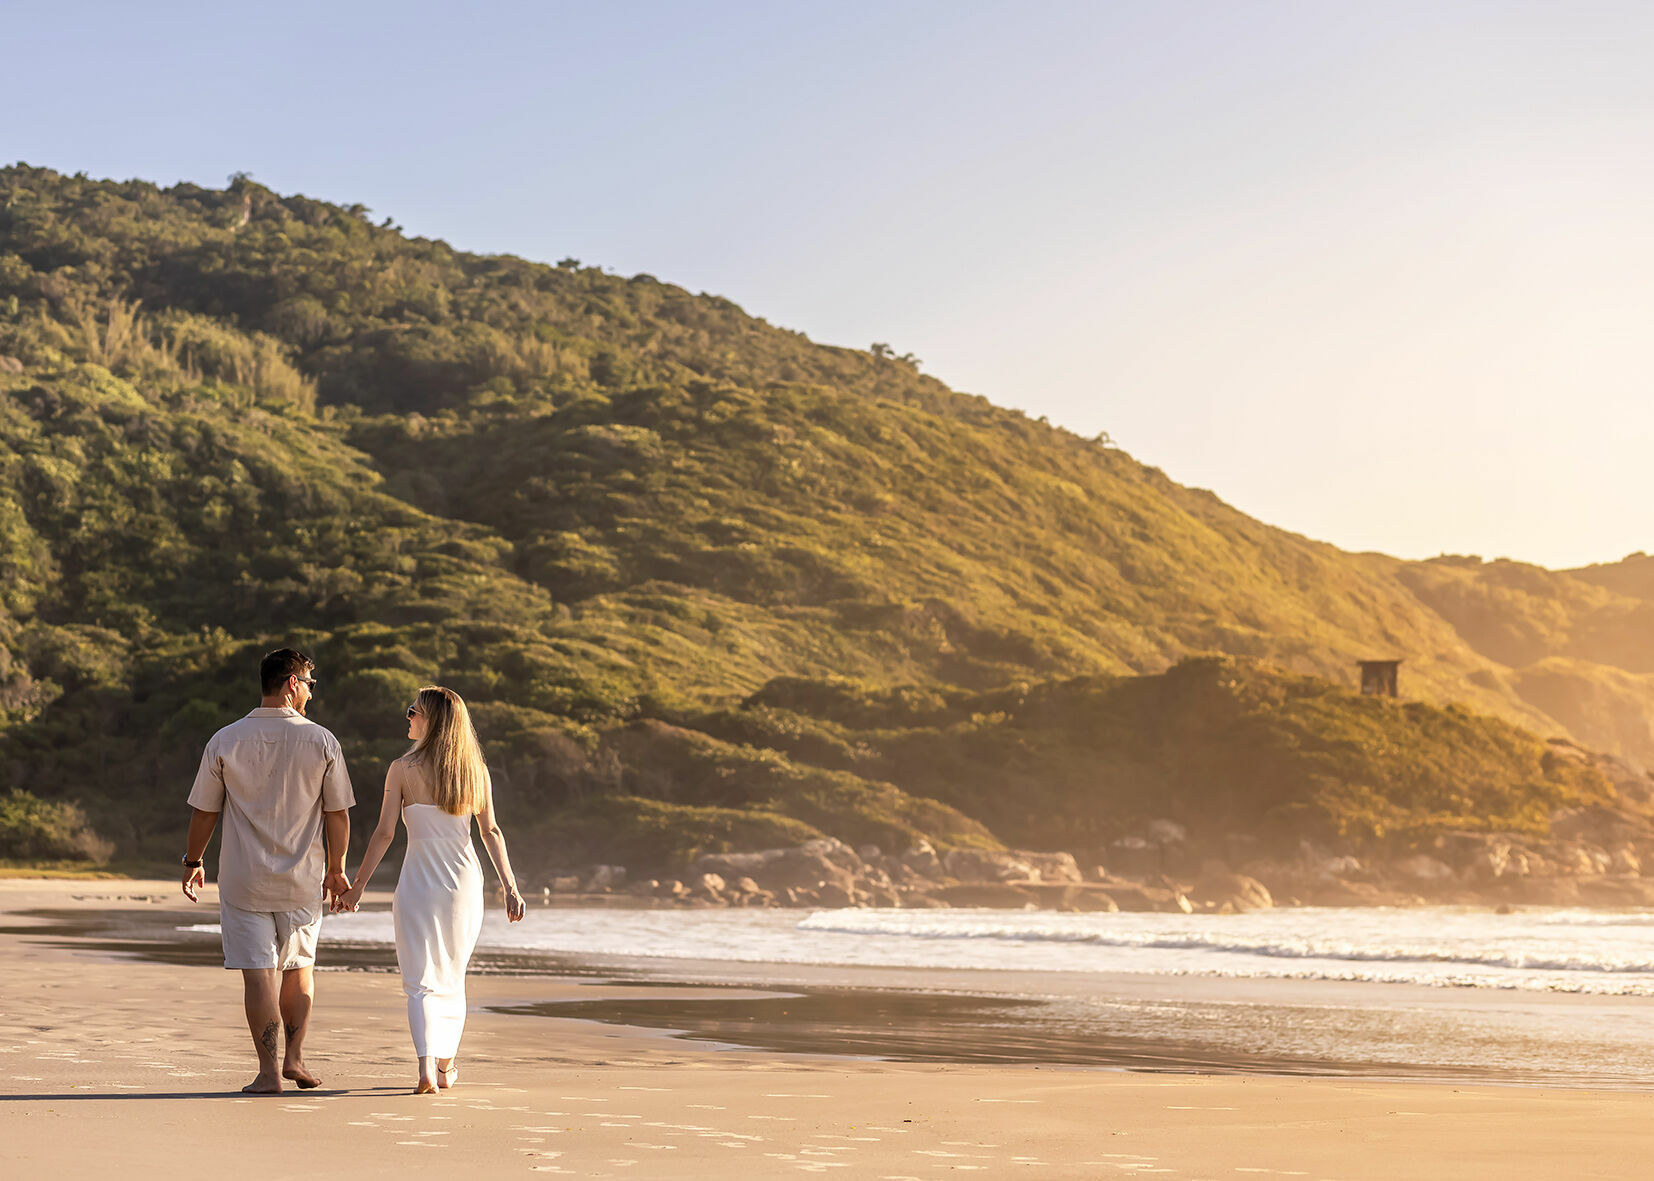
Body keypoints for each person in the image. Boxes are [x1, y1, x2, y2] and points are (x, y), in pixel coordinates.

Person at [181, 647, 354, 1095]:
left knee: (258, 974)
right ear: (291, 683)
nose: (312, 695)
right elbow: (338, 814)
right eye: (310, 685)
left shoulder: (225, 739)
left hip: (243, 880)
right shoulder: (321, 741)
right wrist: (336, 869)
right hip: (301, 881)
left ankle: (269, 1073)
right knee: (298, 969)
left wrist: (193, 861)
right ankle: (295, 1058)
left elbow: (205, 811)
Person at [339, 685, 525, 1094]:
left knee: (421, 979)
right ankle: (445, 1067)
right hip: (463, 882)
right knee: (453, 976)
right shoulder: (474, 771)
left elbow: (385, 834)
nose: (408, 717)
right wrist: (510, 887)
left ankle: (426, 1068)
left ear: (432, 720)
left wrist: (357, 888)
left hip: (419, 881)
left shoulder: (401, 769)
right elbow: (491, 831)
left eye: (413, 711)